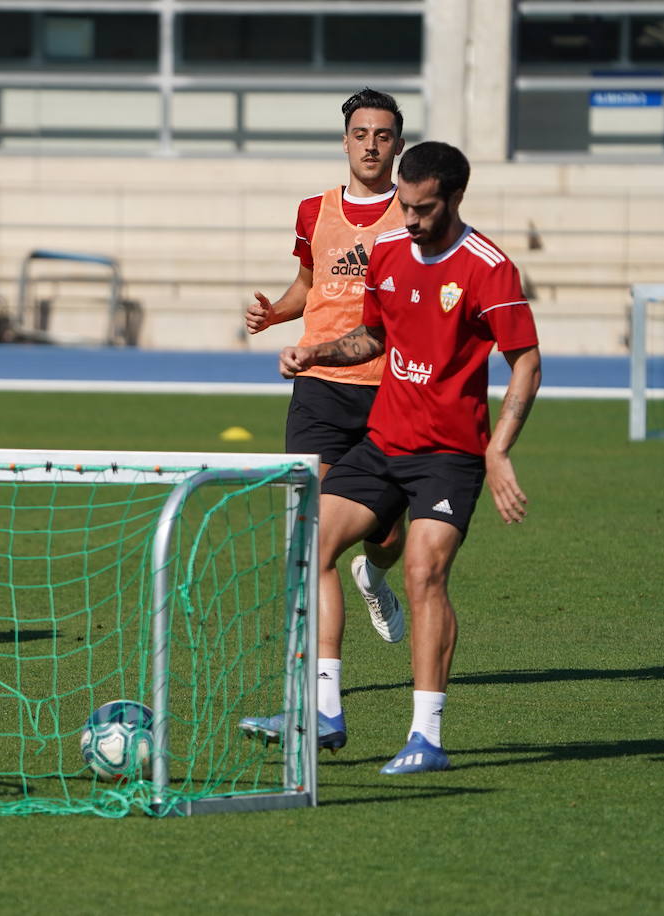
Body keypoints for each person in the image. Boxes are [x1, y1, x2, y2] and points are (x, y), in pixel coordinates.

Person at [250, 141, 541, 773]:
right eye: (404, 206)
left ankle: (426, 737)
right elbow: (375, 335)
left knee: (422, 572)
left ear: (455, 198)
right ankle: (323, 710)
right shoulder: (386, 251)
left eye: (423, 209)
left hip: (449, 454)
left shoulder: (489, 267)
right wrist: (317, 352)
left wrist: (499, 450)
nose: (408, 220)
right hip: (383, 442)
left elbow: (526, 362)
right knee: (310, 545)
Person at [239, 89, 410, 753]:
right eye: (361, 133)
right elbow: (311, 285)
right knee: (311, 542)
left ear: (398, 145)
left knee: (384, 539)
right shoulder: (315, 211)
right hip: (318, 390)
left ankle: (379, 576)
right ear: (345, 141)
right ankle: (325, 706)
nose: (371, 144)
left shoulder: (413, 213)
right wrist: (276, 315)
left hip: (389, 394)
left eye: (384, 135)